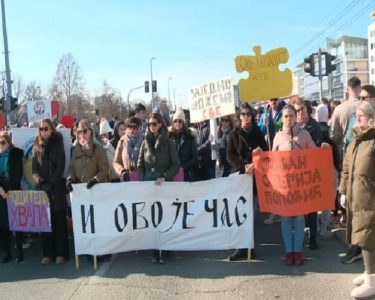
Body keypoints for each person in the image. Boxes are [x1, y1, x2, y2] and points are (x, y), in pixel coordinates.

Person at [339, 101, 375, 298]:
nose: (357, 118)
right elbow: (346, 168)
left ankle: (372, 280)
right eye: (357, 115)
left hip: (369, 197)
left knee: (367, 238)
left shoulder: (373, 140)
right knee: (361, 235)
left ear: (370, 117)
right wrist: (343, 190)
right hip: (355, 196)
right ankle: (369, 273)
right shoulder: (355, 140)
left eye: (361, 115)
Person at [272, 105, 316, 266]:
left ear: (295, 117)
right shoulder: (277, 137)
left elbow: (314, 155)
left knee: (298, 219)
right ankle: (288, 251)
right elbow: (271, 162)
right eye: (285, 116)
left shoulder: (304, 135)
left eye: (291, 115)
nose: (288, 118)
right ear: (281, 119)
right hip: (284, 185)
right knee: (286, 219)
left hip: (300, 186)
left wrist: (323, 150)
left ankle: (297, 251)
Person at [226, 103, 268, 261]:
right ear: (239, 117)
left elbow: (265, 154)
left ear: (252, 116)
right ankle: (240, 248)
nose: (245, 117)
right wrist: (244, 167)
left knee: (250, 215)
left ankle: (249, 246)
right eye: (243, 114)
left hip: (254, 180)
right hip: (239, 178)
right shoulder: (233, 134)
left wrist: (255, 164)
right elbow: (229, 155)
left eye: (248, 114)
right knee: (239, 214)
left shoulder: (258, 132)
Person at [138, 112, 180, 264]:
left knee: (165, 216)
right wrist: (143, 180)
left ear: (161, 124)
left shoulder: (169, 143)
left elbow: (176, 164)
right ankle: (155, 250)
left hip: (164, 184)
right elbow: (140, 165)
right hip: (149, 184)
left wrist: (166, 177)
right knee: (152, 217)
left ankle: (166, 249)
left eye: (154, 123)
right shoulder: (144, 142)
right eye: (149, 124)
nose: (151, 126)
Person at [66, 120, 109, 263]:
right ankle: (89, 252)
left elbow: (104, 169)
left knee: (99, 222)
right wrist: (70, 179)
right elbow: (71, 167)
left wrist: (96, 180)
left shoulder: (98, 149)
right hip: (81, 192)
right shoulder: (75, 150)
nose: (82, 134)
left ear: (91, 132)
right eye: (79, 132)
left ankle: (102, 250)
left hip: (96, 190)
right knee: (85, 222)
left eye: (85, 131)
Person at [331, 76, 363, 264]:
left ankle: (354, 240)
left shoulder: (340, 109)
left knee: (350, 198)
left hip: (346, 154)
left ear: (347, 89)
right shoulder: (367, 107)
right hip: (361, 155)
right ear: (359, 88)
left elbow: (334, 135)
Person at [32, 119, 69, 265]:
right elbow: (34, 169)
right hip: (42, 189)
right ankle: (48, 253)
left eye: (46, 128)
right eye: (41, 129)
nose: (43, 131)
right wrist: (40, 181)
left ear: (52, 129)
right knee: (45, 223)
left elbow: (61, 166)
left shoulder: (58, 144)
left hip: (56, 188)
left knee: (59, 220)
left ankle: (61, 253)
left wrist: (52, 183)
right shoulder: (36, 147)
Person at [0, 132, 24, 263]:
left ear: (8, 143)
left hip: (13, 191)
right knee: (4, 225)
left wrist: (8, 189)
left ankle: (19, 250)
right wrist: (1, 190)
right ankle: (6, 252)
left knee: (17, 223)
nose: (1, 145)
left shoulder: (15, 155)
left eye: (3, 142)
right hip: (1, 194)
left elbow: (17, 174)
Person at [169, 108, 198, 181]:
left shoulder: (190, 137)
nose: (177, 123)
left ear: (183, 123)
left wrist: (183, 167)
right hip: (172, 173)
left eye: (180, 121)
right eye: (175, 121)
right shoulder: (169, 136)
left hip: (186, 174)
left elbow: (195, 158)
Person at [113, 117, 143, 181]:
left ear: (139, 128)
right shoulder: (121, 141)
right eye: (129, 127)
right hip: (127, 178)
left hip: (142, 179)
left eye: (134, 127)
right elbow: (116, 161)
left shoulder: (145, 140)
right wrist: (122, 171)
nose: (132, 130)